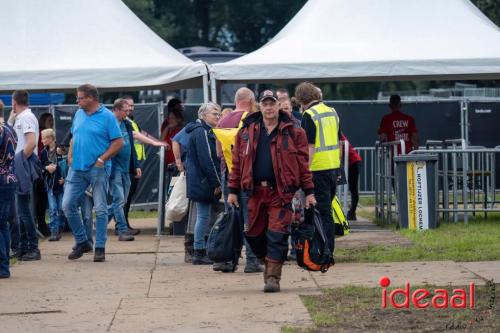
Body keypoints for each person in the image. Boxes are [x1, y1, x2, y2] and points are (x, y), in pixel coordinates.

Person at [227, 90, 316, 293]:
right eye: (265, 104)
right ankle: (268, 263)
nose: (268, 107)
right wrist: (232, 189)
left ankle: (273, 278)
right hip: (254, 193)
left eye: (272, 103)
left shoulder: (295, 131)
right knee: (254, 234)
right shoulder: (246, 131)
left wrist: (309, 192)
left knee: (277, 234)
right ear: (259, 106)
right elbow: (237, 163)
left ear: (278, 105)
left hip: (281, 193)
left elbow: (303, 165)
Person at [62, 84, 123, 262]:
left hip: (98, 169)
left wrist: (102, 159)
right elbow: (74, 136)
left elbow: (118, 142)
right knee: (67, 205)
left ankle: (100, 247)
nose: (77, 100)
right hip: (77, 169)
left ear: (91, 98)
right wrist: (70, 156)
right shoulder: (79, 113)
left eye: (80, 97)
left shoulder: (107, 117)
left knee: (101, 209)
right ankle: (83, 241)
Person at [214, 87, 264, 273]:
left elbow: (219, 152)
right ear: (251, 101)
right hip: (248, 176)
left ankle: (228, 259)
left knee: (231, 219)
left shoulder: (222, 121)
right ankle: (252, 260)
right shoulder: (251, 120)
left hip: (228, 174)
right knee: (250, 218)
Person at [295, 82, 341, 262]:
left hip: (317, 169)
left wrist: (304, 170)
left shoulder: (309, 115)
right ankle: (326, 250)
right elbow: (338, 141)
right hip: (332, 167)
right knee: (326, 212)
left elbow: (310, 146)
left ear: (301, 100)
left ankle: (324, 252)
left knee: (321, 214)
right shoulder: (332, 112)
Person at [121, 96, 166, 235]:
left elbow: (142, 133)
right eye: (128, 105)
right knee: (125, 196)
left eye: (132, 105)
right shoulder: (123, 121)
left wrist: (159, 142)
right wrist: (154, 143)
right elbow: (135, 135)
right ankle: (122, 226)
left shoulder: (131, 121)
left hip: (134, 163)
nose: (131, 108)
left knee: (128, 195)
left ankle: (123, 224)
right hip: (127, 164)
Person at [185, 102, 222, 265]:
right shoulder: (201, 132)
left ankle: (200, 249)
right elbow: (207, 160)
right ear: (203, 115)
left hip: (200, 180)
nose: (218, 116)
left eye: (219, 113)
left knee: (204, 216)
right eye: (214, 113)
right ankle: (199, 251)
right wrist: (216, 182)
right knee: (203, 217)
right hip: (203, 181)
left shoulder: (201, 130)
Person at [8, 90, 41, 261]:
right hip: (20, 164)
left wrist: (18, 162)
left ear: (14, 102)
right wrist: (11, 120)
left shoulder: (27, 117)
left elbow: (31, 143)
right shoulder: (20, 118)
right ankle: (23, 246)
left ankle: (33, 248)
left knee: (24, 210)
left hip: (23, 164)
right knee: (20, 210)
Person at [109, 99, 141, 242]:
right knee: (119, 199)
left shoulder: (127, 124)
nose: (128, 113)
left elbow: (132, 146)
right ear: (117, 109)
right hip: (114, 168)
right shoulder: (109, 123)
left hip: (126, 169)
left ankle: (101, 221)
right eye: (125, 110)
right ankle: (122, 229)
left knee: (122, 200)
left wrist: (136, 165)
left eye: (129, 110)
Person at [40, 129, 66, 241]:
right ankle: (54, 232)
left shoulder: (60, 149)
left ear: (50, 138)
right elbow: (40, 167)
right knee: (52, 209)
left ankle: (60, 228)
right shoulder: (43, 153)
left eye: (44, 138)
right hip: (50, 184)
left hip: (60, 184)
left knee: (61, 209)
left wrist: (65, 178)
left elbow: (66, 165)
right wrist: (46, 168)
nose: (41, 140)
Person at [0, 112, 17, 278]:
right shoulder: (10, 129)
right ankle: (4, 267)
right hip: (9, 178)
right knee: (3, 225)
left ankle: (3, 267)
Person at [340, 133, 362, 221]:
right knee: (352, 189)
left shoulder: (340, 136)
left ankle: (352, 212)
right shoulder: (340, 136)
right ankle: (352, 212)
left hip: (353, 162)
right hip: (351, 163)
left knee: (353, 189)